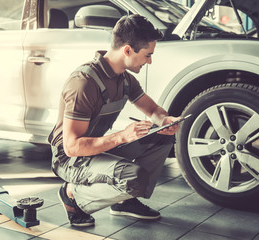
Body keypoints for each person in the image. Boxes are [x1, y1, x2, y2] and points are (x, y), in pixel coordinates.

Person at [48, 14, 181, 227]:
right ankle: (72, 195)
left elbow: (153, 109)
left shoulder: (125, 79)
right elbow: (72, 147)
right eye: (147, 55)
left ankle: (125, 202)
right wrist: (122, 136)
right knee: (133, 177)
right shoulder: (83, 83)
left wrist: (165, 120)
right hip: (70, 159)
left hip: (96, 148)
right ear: (127, 50)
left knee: (161, 139)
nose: (150, 61)